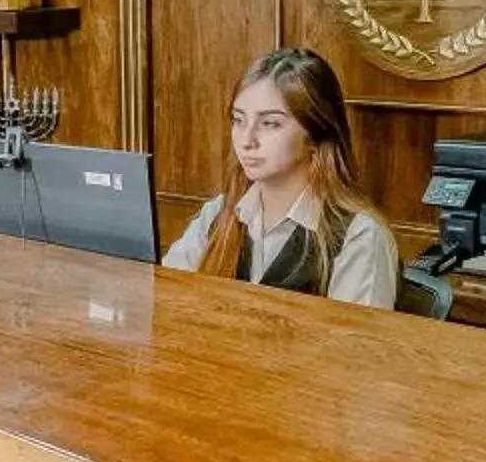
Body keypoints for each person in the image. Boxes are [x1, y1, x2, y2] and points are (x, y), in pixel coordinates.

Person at [162, 47, 401, 309]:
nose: (247, 140)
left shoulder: (359, 237)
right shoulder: (218, 213)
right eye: (238, 120)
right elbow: (167, 301)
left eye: (270, 124)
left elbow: (354, 347)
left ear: (314, 135)